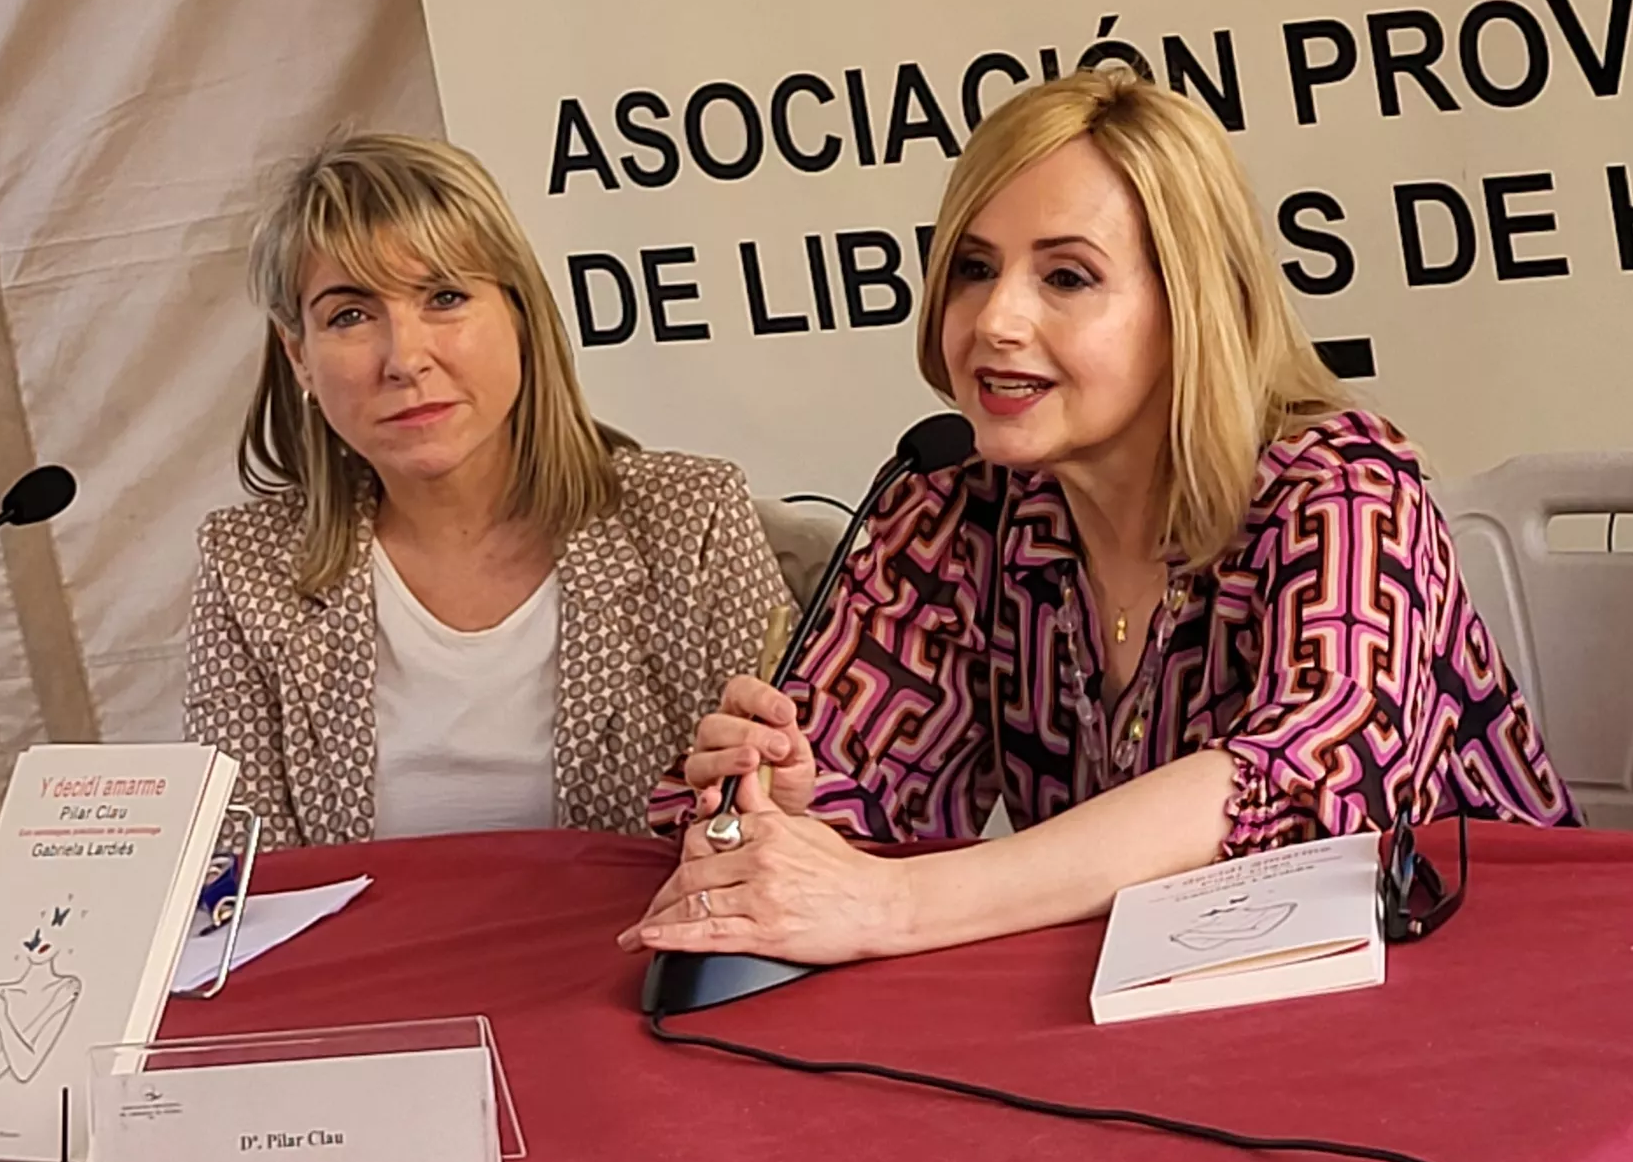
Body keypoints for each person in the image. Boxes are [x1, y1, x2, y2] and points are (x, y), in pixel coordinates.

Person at [626, 70, 1570, 962]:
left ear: (1193, 304)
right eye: (973, 268)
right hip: (1169, 1008)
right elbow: (833, 814)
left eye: (1066, 278)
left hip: (1484, 985)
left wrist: (896, 906)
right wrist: (798, 803)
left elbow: (1297, 788)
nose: (995, 319)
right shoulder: (951, 513)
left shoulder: (1344, 486)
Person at [187, 133, 788, 846]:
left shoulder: (693, 521)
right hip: (376, 960)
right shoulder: (246, 565)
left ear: (522, 317)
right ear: (300, 359)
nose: (405, 359)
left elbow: (783, 819)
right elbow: (243, 880)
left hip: (646, 951)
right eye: (349, 315)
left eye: (444, 297)